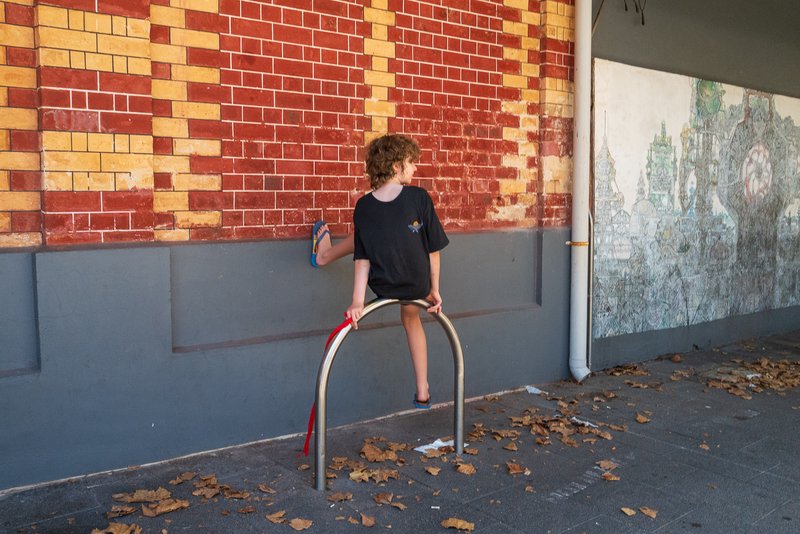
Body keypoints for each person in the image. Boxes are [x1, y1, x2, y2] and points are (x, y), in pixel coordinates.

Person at [342, 134, 449, 409]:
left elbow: (362, 259)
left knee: (405, 309)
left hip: (383, 287)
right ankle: (422, 388)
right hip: (416, 285)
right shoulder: (419, 197)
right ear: (395, 167)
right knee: (411, 318)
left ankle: (422, 387)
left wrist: (357, 301)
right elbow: (433, 250)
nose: (415, 168)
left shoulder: (363, 206)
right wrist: (433, 289)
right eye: (411, 162)